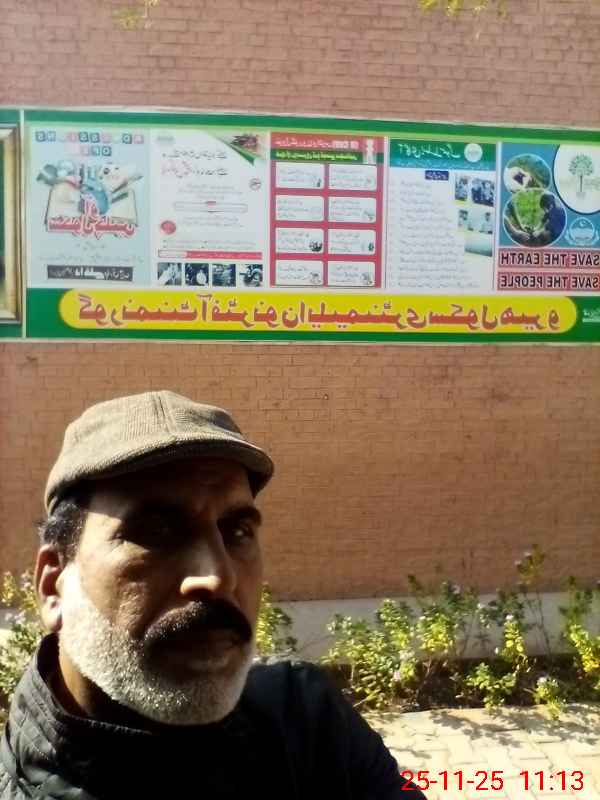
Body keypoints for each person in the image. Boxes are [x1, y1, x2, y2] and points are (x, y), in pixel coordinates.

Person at [0, 391, 426, 800]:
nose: (218, 576)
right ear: (53, 585)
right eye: (156, 532)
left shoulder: (308, 720)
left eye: (237, 532)